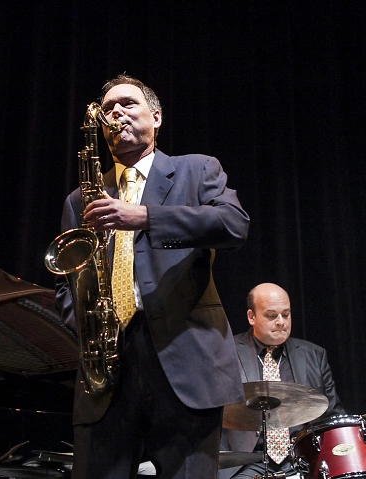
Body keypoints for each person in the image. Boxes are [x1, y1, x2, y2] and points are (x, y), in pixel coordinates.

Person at [54, 74, 250, 479]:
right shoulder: (80, 199)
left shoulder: (197, 169)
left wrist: (145, 217)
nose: (116, 113)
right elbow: (66, 282)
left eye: (128, 103)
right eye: (108, 108)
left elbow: (233, 224)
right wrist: (91, 329)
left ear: (156, 117)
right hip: (106, 368)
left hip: (187, 363)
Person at [218, 283, 345, 479]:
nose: (281, 322)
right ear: (251, 317)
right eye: (271, 316)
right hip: (246, 463)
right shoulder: (226, 353)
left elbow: (332, 418)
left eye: (286, 314)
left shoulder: (314, 355)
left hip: (302, 460)